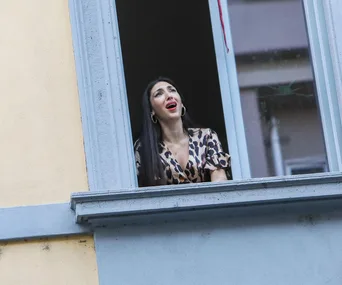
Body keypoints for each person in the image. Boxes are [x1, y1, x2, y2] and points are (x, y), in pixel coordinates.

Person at [134, 77, 231, 187]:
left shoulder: (206, 136)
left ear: (181, 103)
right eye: (159, 94)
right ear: (152, 111)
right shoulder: (144, 148)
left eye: (172, 90)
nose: (169, 96)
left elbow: (220, 182)